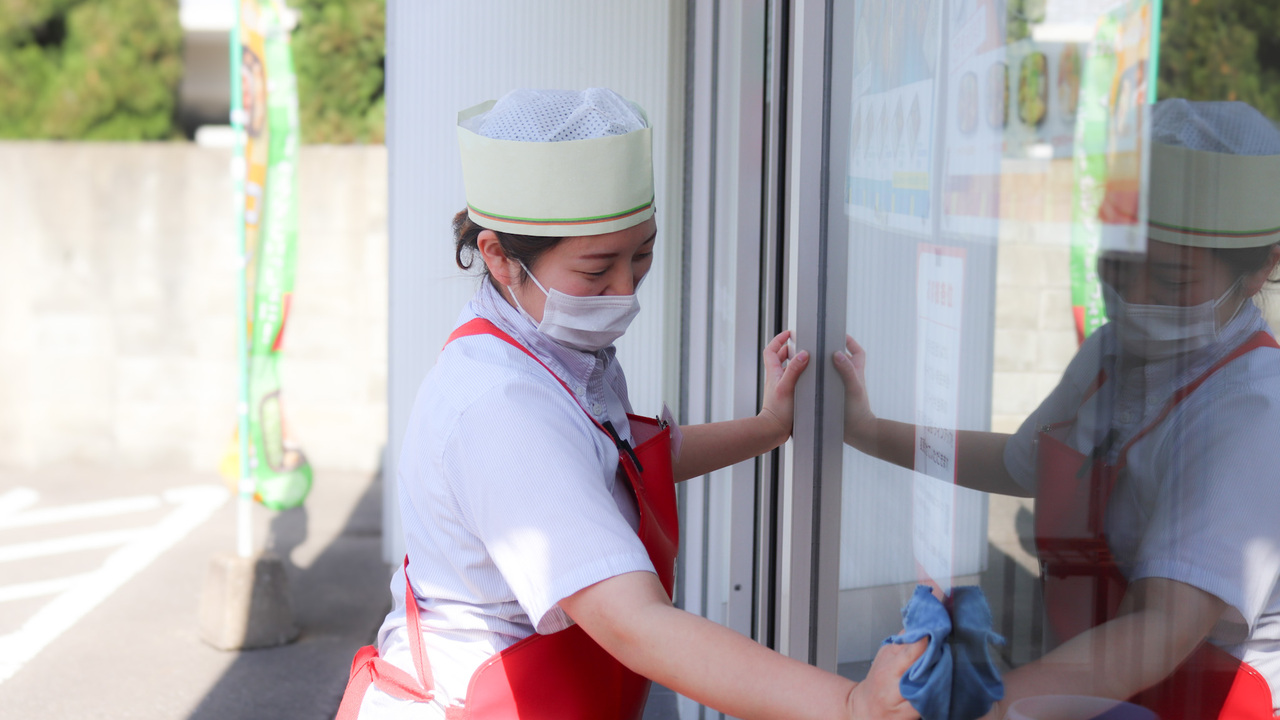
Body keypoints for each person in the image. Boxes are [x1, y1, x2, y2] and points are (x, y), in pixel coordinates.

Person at [336, 88, 923, 720]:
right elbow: (634, 624)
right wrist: (853, 704)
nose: (624, 291)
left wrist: (768, 427)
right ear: (500, 257)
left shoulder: (544, 341)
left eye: (641, 256)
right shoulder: (498, 407)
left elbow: (620, 466)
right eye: (597, 270)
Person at [835, 98, 1280, 719]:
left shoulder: (1253, 409)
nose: (1134, 295)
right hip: (1091, 689)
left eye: (1172, 280)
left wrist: (989, 707)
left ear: (1262, 268)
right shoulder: (1112, 354)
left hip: (1200, 698)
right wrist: (868, 431)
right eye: (1118, 266)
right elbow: (1018, 463)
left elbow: (1163, 626)